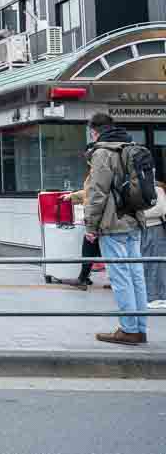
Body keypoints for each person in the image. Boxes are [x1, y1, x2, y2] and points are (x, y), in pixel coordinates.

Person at [84, 113, 148, 345]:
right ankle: (140, 328)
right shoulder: (131, 148)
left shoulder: (103, 153)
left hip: (113, 224)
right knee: (136, 276)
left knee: (120, 277)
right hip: (135, 220)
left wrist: (91, 225)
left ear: (95, 131)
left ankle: (128, 329)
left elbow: (97, 192)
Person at [63, 162, 102, 290]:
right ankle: (83, 278)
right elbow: (88, 193)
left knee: (91, 249)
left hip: (99, 221)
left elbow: (94, 197)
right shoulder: (98, 173)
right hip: (99, 220)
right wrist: (72, 196)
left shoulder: (100, 173)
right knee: (92, 250)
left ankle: (83, 279)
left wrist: (91, 226)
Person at [142, 182, 166, 309]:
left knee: (156, 263)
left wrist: (138, 214)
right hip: (144, 228)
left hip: (155, 227)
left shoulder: (157, 188)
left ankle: (158, 296)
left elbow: (161, 209)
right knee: (149, 263)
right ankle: (153, 295)